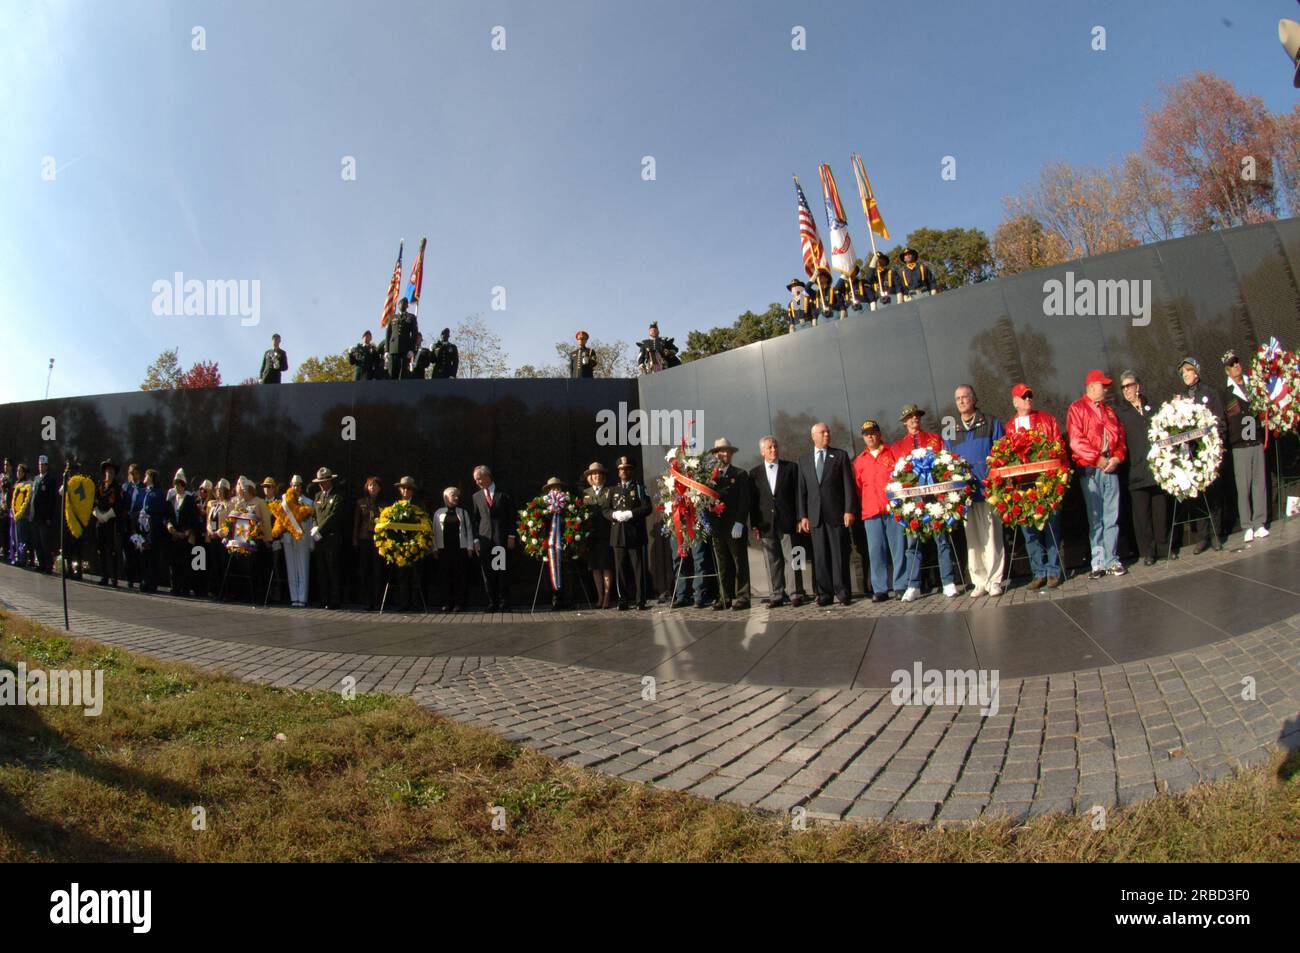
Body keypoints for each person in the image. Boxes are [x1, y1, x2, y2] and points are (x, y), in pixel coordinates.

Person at [890, 404, 959, 601]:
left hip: (936, 499)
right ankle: (913, 585)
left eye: (917, 416)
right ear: (904, 422)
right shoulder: (898, 447)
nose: (914, 420)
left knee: (942, 540)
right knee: (913, 544)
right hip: (913, 503)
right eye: (910, 417)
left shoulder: (934, 439)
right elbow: (896, 477)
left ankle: (948, 581)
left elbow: (945, 464)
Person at [946, 385, 1006, 597]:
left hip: (988, 489)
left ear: (974, 399)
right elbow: (947, 460)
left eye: (965, 397)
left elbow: (1002, 451)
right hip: (966, 495)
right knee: (973, 540)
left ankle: (995, 580)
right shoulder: (951, 428)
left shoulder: (991, 422)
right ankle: (979, 581)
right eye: (958, 398)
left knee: (991, 537)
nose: (961, 401)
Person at [1007, 383, 1068, 589]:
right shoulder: (1010, 427)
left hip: (1046, 481)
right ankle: (1038, 572)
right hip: (1023, 485)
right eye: (1024, 397)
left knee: (1051, 527)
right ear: (1015, 401)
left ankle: (1053, 570)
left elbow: (1059, 446)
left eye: (1030, 396)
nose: (1028, 400)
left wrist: (1061, 475)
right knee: (1029, 530)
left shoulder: (1046, 419)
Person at [1068, 370, 1128, 578]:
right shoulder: (1077, 408)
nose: (1106, 389)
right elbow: (1076, 440)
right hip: (1091, 469)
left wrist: (1116, 458)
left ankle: (1112, 559)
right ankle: (1098, 561)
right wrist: (1098, 459)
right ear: (1092, 387)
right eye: (1103, 385)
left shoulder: (1109, 411)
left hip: (1110, 467)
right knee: (1096, 518)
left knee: (1112, 515)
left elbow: (1120, 439)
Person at [795, 422, 857, 606]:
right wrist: (802, 516)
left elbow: (848, 485)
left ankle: (843, 591)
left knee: (839, 554)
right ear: (813, 436)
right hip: (815, 516)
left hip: (837, 514)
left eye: (828, 431)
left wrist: (849, 510)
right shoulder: (804, 460)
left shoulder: (839, 456)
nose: (827, 434)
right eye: (822, 432)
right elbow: (801, 490)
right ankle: (824, 594)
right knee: (820, 557)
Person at [749, 436, 808, 608]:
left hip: (788, 521)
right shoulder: (755, 473)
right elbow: (754, 501)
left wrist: (799, 517)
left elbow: (798, 495)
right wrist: (754, 524)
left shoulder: (791, 468)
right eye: (769, 448)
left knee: (794, 558)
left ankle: (796, 593)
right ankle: (776, 594)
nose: (773, 450)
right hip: (766, 524)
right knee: (772, 560)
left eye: (775, 446)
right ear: (762, 452)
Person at [1116, 370, 1168, 565]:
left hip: (1157, 469)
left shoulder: (1152, 406)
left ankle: (1163, 547)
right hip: (1135, 472)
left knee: (1160, 511)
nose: (1126, 390)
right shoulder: (1121, 413)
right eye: (1123, 388)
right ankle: (1148, 552)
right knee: (1142, 516)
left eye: (1129, 386)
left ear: (1138, 386)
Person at [852, 421, 907, 603]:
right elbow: (859, 488)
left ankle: (900, 585)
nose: (870, 436)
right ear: (863, 437)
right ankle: (880, 589)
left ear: (879, 434)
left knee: (898, 549)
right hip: (871, 512)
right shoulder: (860, 460)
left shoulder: (892, 453)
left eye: (873, 432)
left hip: (892, 510)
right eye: (867, 434)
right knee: (876, 552)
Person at [1178, 356, 1227, 554]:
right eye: (1182, 373)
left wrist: (1214, 444)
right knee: (1197, 495)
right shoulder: (1180, 398)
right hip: (1192, 454)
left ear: (1196, 371)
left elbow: (1220, 422)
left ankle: (1216, 535)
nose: (1185, 375)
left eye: (1188, 371)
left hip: (1209, 451)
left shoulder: (1210, 393)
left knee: (1213, 494)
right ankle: (1202, 537)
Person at [1223, 349, 1269, 542]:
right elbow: (1232, 418)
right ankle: (1247, 525)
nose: (1236, 366)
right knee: (1244, 487)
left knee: (1260, 484)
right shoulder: (1226, 393)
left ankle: (1260, 523)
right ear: (1227, 370)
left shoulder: (1253, 385)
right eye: (1232, 365)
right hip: (1240, 445)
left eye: (1237, 362)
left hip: (1255, 441)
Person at [706, 438, 751, 611]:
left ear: (731, 453)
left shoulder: (740, 474)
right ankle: (724, 597)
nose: (723, 454)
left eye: (726, 451)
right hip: (717, 527)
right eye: (720, 451)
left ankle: (743, 596)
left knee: (739, 562)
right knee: (722, 564)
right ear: (715, 454)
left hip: (735, 527)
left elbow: (744, 501)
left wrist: (740, 522)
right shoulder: (709, 477)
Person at [605, 456, 652, 610]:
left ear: (631, 471)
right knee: (620, 570)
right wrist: (614, 515)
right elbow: (605, 509)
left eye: (627, 469)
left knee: (638, 568)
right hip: (618, 535)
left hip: (635, 534)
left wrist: (631, 514)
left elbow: (647, 508)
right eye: (621, 469)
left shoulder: (639, 488)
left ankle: (640, 600)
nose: (624, 471)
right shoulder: (612, 490)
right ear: (618, 472)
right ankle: (622, 600)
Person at [471, 465, 515, 611]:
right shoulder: (476, 497)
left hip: (499, 539)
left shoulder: (503, 493)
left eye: (479, 478)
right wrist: (476, 540)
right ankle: (492, 602)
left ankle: (504, 602)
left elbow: (511, 516)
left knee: (501, 571)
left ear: (487, 476)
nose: (477, 482)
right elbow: (475, 520)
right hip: (484, 541)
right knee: (487, 573)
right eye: (475, 480)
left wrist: (511, 535)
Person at [432, 485, 472, 612]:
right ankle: (446, 603)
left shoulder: (463, 512)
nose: (456, 498)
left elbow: (469, 530)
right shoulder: (438, 513)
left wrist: (470, 547)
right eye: (453, 495)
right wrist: (434, 548)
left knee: (459, 577)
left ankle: (459, 603)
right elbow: (433, 531)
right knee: (444, 577)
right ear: (446, 498)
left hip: (460, 549)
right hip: (444, 550)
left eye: (457, 495)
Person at [581, 462, 615, 609]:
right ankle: (600, 596)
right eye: (594, 473)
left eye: (599, 473)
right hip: (592, 536)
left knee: (606, 566)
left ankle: (607, 596)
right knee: (595, 568)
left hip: (606, 534)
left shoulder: (610, 491)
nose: (597, 476)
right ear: (589, 477)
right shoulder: (585, 493)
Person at [310, 467, 345, 609]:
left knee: (332, 570)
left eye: (324, 481)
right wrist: (314, 527)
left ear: (330, 481)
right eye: (320, 482)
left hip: (331, 538)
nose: (321, 484)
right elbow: (314, 514)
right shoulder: (318, 496)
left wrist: (320, 529)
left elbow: (334, 516)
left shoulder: (337, 496)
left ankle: (334, 600)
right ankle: (323, 598)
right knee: (321, 569)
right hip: (319, 539)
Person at [389, 476, 424, 611]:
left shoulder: (419, 504)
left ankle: (416, 604)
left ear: (412, 491)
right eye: (403, 488)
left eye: (408, 489)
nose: (405, 491)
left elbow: (424, 522)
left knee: (415, 575)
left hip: (415, 543)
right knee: (402, 575)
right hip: (400, 544)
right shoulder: (395, 505)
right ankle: (403, 604)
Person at [281, 474, 315, 608]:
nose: (296, 487)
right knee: (291, 568)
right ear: (290, 486)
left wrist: (311, 542)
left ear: (302, 486)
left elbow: (311, 523)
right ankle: (294, 597)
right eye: (294, 485)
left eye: (299, 485)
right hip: (288, 538)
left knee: (303, 568)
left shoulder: (308, 502)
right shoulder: (284, 501)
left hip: (303, 538)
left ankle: (302, 597)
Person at [166, 469, 201, 596]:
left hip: (185, 536)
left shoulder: (189, 499)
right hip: (174, 535)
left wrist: (186, 531)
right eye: (175, 484)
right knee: (174, 563)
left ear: (183, 485)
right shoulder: (172, 499)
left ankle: (185, 588)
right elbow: (169, 516)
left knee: (185, 563)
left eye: (178, 484)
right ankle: (174, 587)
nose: (176, 487)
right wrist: (170, 527)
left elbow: (194, 517)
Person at [90, 459, 123, 587]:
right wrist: (98, 514)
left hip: (111, 522)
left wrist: (107, 515)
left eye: (111, 471)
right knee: (101, 549)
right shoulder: (100, 486)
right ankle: (104, 576)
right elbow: (94, 503)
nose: (109, 473)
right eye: (107, 471)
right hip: (100, 521)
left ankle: (114, 577)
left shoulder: (117, 488)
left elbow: (119, 506)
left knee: (112, 550)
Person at [353, 476, 384, 611]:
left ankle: (378, 601)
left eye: (375, 486)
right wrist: (355, 539)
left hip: (379, 540)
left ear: (380, 488)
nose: (373, 488)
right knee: (365, 571)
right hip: (364, 539)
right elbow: (356, 523)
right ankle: (368, 601)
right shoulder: (361, 502)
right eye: (370, 485)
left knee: (378, 571)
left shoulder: (384, 504)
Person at [137, 468, 169, 593]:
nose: (145, 477)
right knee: (142, 553)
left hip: (153, 528)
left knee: (152, 555)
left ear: (151, 477)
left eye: (147, 475)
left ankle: (152, 582)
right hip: (141, 526)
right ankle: (143, 580)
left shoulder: (159, 492)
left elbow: (160, 509)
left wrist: (150, 514)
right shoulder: (143, 491)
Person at [29, 454, 58, 573]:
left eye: (43, 465)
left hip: (44, 516)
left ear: (47, 466)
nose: (40, 467)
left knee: (45, 541)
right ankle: (41, 563)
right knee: (37, 541)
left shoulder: (50, 480)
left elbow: (52, 500)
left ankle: (48, 565)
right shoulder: (36, 479)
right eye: (39, 465)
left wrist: (49, 516)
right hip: (35, 515)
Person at [122, 461, 146, 588]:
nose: (132, 476)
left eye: (135, 473)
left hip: (138, 524)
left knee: (139, 550)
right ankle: (130, 579)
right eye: (130, 473)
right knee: (128, 552)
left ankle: (141, 578)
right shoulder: (126, 487)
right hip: (127, 524)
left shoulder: (143, 488)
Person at [384, 298, 419, 380]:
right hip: (393, 349)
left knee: (403, 373)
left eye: (404, 303)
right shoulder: (392, 317)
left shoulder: (411, 317)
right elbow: (388, 334)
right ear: (398, 305)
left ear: (407, 306)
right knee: (392, 372)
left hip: (405, 348)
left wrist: (411, 349)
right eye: (400, 303)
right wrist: (386, 350)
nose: (402, 305)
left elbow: (414, 334)